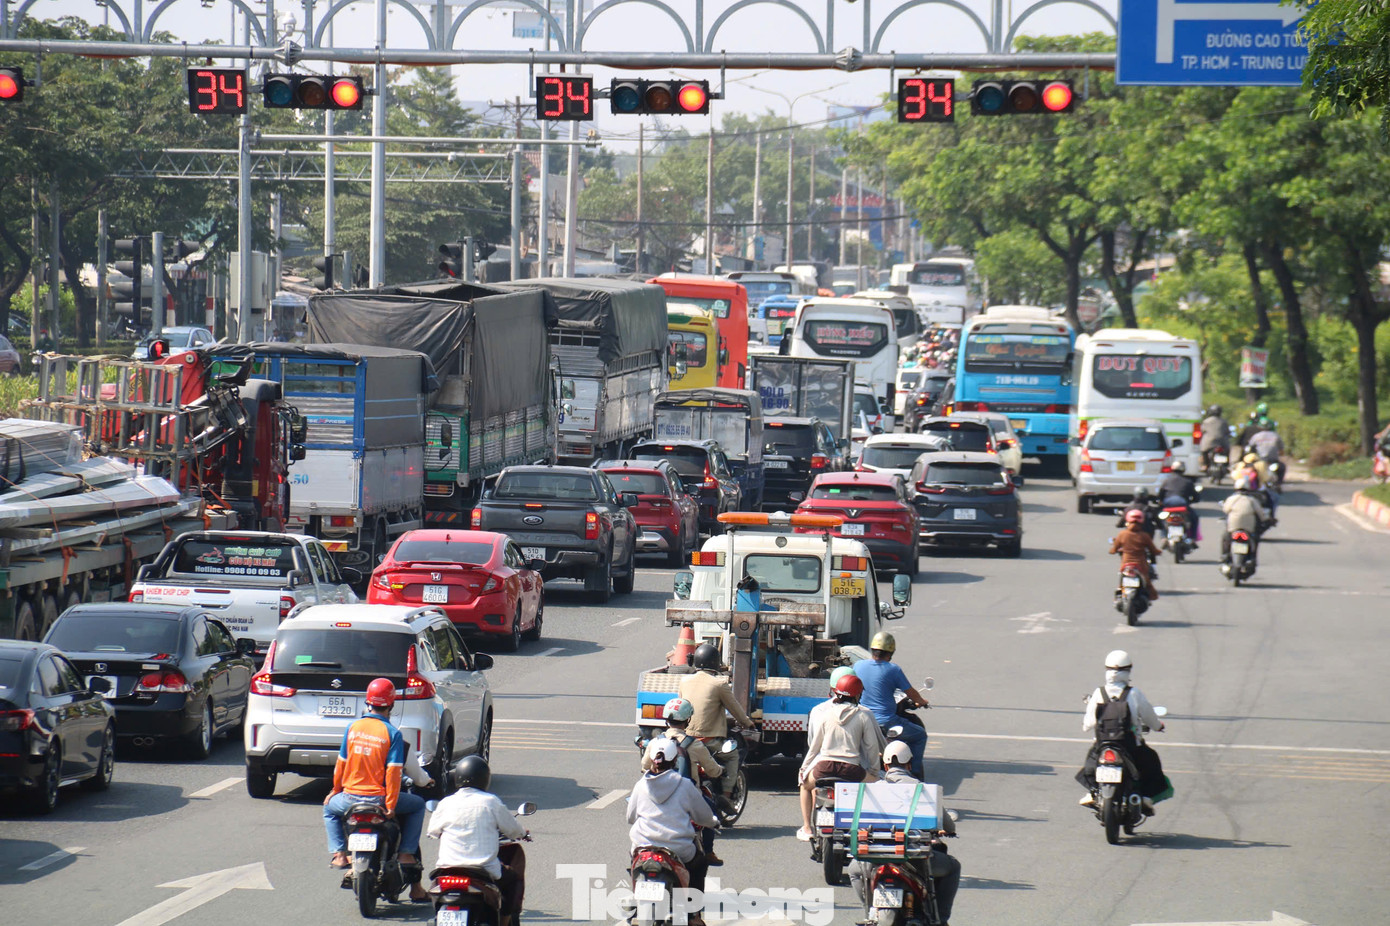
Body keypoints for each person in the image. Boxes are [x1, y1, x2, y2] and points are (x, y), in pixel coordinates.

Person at [323, 677, 429, 902]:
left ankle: (340, 854)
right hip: (378, 800)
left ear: (367, 702)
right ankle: (406, 853)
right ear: (390, 704)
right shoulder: (392, 733)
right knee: (418, 806)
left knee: (330, 810)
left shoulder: (353, 728)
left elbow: (341, 763)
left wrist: (335, 790)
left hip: (350, 798)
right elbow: (393, 773)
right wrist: (390, 805)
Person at [425, 756, 527, 926]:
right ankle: (504, 921)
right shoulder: (491, 802)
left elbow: (432, 831)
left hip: (446, 871)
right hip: (482, 871)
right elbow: (513, 830)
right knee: (512, 879)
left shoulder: (446, 803)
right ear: (484, 779)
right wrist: (523, 833)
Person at [1077, 650, 1172, 814]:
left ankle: (1093, 792)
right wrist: (1158, 726)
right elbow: (1149, 717)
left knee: (1090, 764)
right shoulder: (1134, 694)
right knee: (1151, 762)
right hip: (1130, 747)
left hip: (1103, 745)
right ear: (1128, 670)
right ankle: (1146, 798)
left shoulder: (1099, 693)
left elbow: (1087, 724)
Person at [879, 742, 960, 925]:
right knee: (953, 867)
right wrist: (947, 829)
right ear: (909, 765)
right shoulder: (922, 789)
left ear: (885, 766)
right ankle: (940, 918)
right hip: (914, 858)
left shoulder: (874, 788)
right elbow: (948, 824)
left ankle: (868, 909)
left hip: (877, 856)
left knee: (855, 870)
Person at [797, 674, 885, 841]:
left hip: (824, 768)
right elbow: (871, 748)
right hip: (851, 771)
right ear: (857, 695)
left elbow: (814, 747)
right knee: (877, 783)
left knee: (805, 786)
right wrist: (874, 771)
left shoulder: (825, 714)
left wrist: (804, 768)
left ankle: (807, 827)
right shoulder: (863, 715)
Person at [628, 738, 720, 898]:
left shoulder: (640, 785)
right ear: (676, 760)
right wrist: (713, 822)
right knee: (700, 864)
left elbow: (630, 817)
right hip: (678, 848)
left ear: (651, 759)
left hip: (642, 846)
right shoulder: (685, 785)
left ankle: (635, 900)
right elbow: (704, 816)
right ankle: (693, 915)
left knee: (634, 863)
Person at [643, 698, 726, 866]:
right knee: (710, 814)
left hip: (654, 793)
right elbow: (712, 770)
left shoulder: (655, 742)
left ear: (667, 720)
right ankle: (709, 852)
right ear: (687, 720)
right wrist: (720, 771)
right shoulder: (694, 745)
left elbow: (644, 766)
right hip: (689, 795)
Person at [680, 642, 755, 806]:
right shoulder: (719, 684)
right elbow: (735, 708)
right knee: (733, 756)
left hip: (684, 739)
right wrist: (748, 723)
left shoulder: (684, 681)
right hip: (708, 741)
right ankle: (726, 796)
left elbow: (682, 707)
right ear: (715, 662)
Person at [854, 632, 931, 779]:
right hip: (887, 723)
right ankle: (914, 774)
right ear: (891, 653)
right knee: (920, 735)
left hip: (863, 721)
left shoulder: (858, 666)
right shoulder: (893, 669)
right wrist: (921, 701)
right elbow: (911, 692)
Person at [1220, 474, 1272, 572]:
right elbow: (1261, 514)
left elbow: (1225, 510)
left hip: (1233, 527)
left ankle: (1225, 555)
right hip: (1249, 527)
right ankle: (1252, 558)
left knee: (1226, 537)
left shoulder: (1232, 499)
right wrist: (1265, 520)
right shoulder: (1252, 500)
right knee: (1254, 540)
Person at [1111, 510, 1162, 600]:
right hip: (1140, 563)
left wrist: (1113, 550)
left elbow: (1114, 549)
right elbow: (1153, 549)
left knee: (1122, 577)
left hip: (1126, 561)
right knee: (1147, 581)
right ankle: (1151, 596)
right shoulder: (1144, 536)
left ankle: (1120, 590)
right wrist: (1158, 552)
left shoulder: (1122, 534)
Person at [1157, 460, 1201, 545]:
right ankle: (1193, 538)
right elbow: (1196, 497)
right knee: (1194, 518)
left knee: (1161, 519)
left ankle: (1163, 537)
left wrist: (1160, 502)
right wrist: (1192, 500)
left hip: (1168, 504)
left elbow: (1160, 495)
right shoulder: (1188, 482)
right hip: (1182, 504)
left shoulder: (1167, 481)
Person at [1198, 405, 1231, 469]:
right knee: (1227, 451)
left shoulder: (1206, 421)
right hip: (1222, 442)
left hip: (1209, 443)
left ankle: (1205, 465)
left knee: (1204, 451)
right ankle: (1227, 465)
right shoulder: (1224, 422)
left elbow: (1202, 431)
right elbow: (1227, 432)